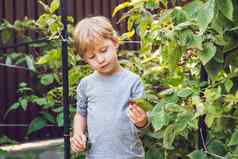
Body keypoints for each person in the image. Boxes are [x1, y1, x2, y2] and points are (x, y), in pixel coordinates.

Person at [71, 16, 149, 159]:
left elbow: (143, 124)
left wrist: (142, 121)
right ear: (85, 59)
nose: (100, 59)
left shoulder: (133, 81)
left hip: (130, 155)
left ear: (115, 42)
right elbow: (81, 113)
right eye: (92, 57)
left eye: (103, 50)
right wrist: (78, 134)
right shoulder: (86, 84)